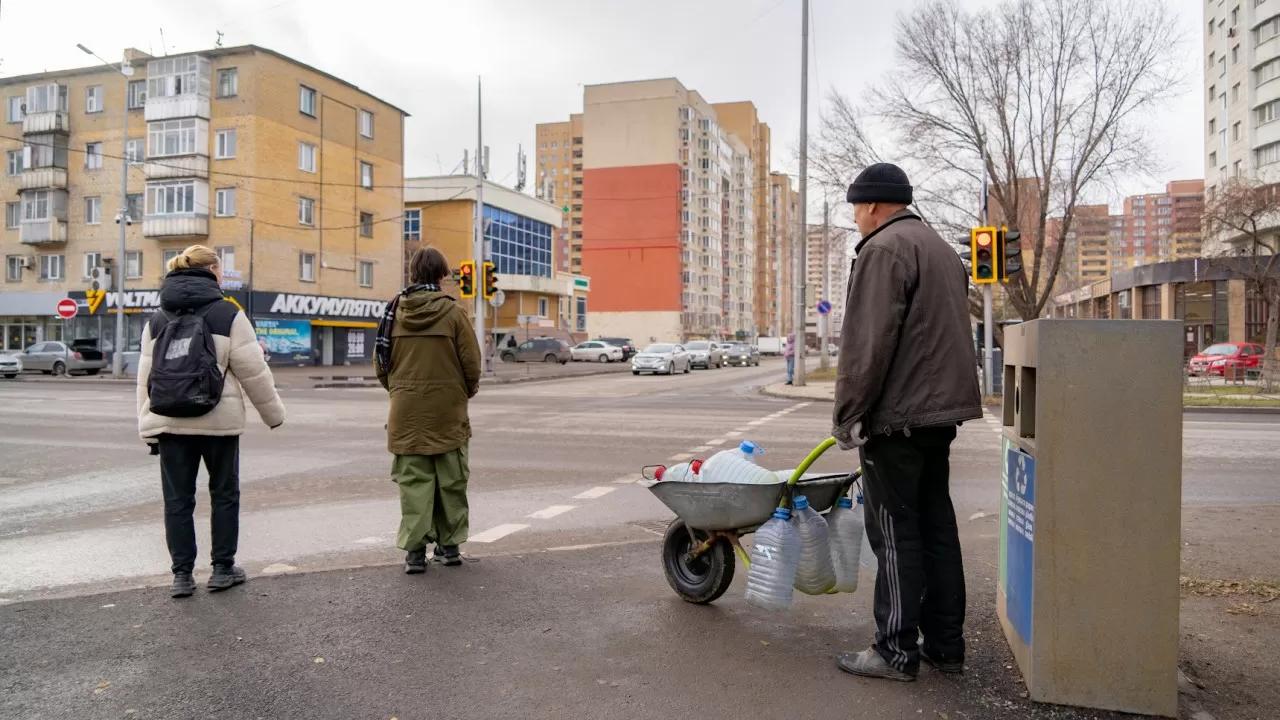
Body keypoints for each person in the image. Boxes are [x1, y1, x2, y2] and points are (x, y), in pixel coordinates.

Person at [832, 163, 982, 681]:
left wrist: (848, 416)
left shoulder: (883, 250)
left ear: (872, 205)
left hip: (897, 418)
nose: (855, 219)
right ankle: (945, 645)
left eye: (855, 208)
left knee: (895, 533)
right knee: (936, 528)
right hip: (939, 417)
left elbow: (866, 346)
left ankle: (895, 650)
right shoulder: (941, 249)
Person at [137, 244, 285, 599]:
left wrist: (148, 426)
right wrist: (273, 415)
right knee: (224, 495)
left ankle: (182, 577)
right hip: (218, 421)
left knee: (177, 501)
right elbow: (253, 371)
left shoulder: (157, 319)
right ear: (213, 271)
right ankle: (222, 569)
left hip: (170, 422)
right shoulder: (227, 314)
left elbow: (146, 379)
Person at [376, 247, 481, 574]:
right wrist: (463, 393)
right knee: (451, 480)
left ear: (413, 273)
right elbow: (472, 365)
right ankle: (449, 548)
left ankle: (415, 554)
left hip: (406, 413)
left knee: (414, 483)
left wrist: (400, 392)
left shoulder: (393, 312)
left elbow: (381, 364)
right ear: (442, 275)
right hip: (447, 411)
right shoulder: (453, 313)